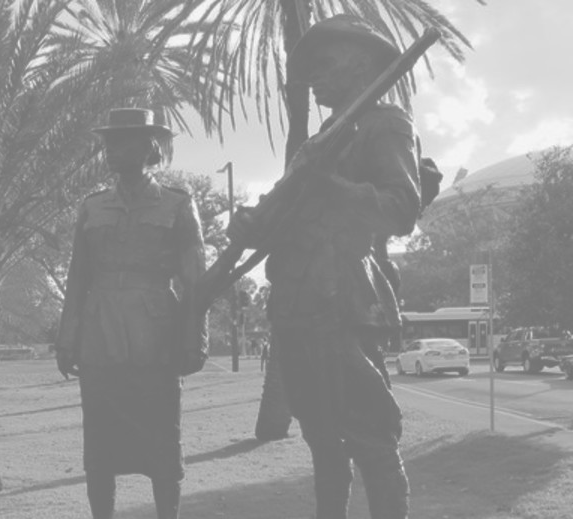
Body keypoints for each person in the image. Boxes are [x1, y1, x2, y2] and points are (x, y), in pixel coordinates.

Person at [228, 15, 417, 519]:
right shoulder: (323, 138)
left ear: (360, 65)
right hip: (295, 302)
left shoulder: (385, 125)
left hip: (345, 300)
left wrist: (329, 182)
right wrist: (251, 225)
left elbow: (401, 207)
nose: (314, 79)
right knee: (322, 441)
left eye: (325, 65)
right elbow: (284, 215)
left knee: (373, 437)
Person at [55, 107, 208, 519]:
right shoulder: (92, 207)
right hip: (100, 337)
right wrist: (67, 338)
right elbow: (77, 279)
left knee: (162, 444)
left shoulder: (178, 204)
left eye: (121, 143)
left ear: (148, 149)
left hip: (155, 338)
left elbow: (196, 282)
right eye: (108, 143)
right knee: (100, 447)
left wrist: (196, 341)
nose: (110, 152)